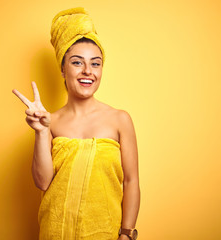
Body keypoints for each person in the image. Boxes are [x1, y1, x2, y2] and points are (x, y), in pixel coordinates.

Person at [13, 7, 140, 240]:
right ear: (63, 69)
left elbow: (132, 181)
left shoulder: (120, 120)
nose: (87, 71)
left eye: (95, 63)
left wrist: (127, 234)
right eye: (76, 62)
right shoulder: (50, 122)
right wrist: (41, 132)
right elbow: (42, 183)